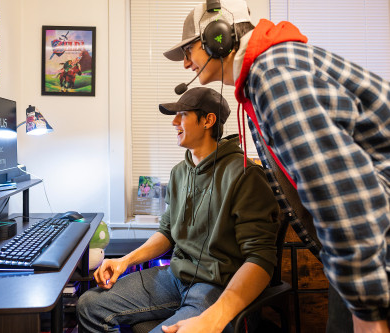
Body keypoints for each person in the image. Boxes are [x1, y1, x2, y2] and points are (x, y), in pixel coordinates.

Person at [162, 1, 390, 332]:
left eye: (188, 50)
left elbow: (344, 202)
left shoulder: (272, 78)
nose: (185, 63)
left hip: (372, 241)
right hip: (371, 242)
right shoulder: (265, 75)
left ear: (219, 37)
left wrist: (368, 318)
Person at [77, 87, 280, 332]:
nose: (174, 122)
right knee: (89, 304)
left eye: (182, 114)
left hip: (217, 286)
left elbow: (260, 258)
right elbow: (167, 232)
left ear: (208, 120)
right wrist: (124, 261)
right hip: (175, 278)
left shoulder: (245, 174)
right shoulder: (179, 173)